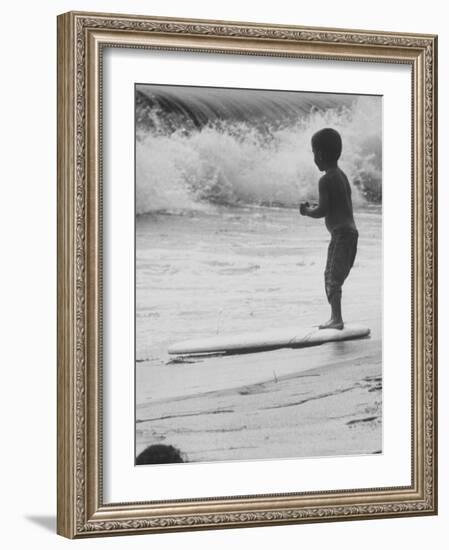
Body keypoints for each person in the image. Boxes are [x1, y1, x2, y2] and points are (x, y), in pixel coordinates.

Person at [299, 128, 358, 330]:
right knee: (334, 276)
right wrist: (315, 206)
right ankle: (336, 317)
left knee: (331, 277)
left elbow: (323, 211)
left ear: (321, 154)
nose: (314, 157)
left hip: (341, 235)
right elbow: (337, 204)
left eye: (314, 152)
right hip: (351, 234)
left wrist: (307, 211)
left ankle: (336, 319)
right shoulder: (341, 176)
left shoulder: (325, 180)